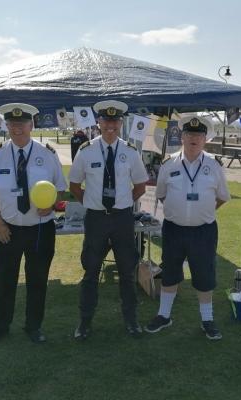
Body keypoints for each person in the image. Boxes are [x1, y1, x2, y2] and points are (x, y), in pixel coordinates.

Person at [0, 103, 67, 345]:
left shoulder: (47, 154)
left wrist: (51, 206)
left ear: (32, 125)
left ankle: (33, 326)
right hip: (8, 229)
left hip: (41, 229)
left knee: (37, 281)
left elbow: (61, 191)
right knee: (5, 281)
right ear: (6, 126)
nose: (17, 128)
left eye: (22, 124)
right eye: (12, 124)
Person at [144, 116, 230, 340]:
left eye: (199, 135)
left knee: (204, 276)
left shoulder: (214, 165)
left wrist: (203, 212)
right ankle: (164, 316)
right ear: (181, 137)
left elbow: (222, 197)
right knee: (170, 273)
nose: (194, 138)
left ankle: (207, 320)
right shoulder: (168, 163)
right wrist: (180, 211)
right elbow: (161, 194)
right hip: (174, 229)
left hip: (204, 231)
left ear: (205, 139)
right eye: (189, 135)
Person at [69, 100, 148, 339]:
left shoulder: (130, 152)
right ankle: (84, 323)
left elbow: (141, 186)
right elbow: (74, 185)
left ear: (120, 123)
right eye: (106, 121)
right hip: (96, 220)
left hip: (122, 219)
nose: (110, 125)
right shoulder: (86, 151)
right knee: (91, 272)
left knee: (127, 271)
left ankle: (131, 321)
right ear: (99, 122)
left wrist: (121, 203)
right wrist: (92, 203)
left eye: (115, 121)